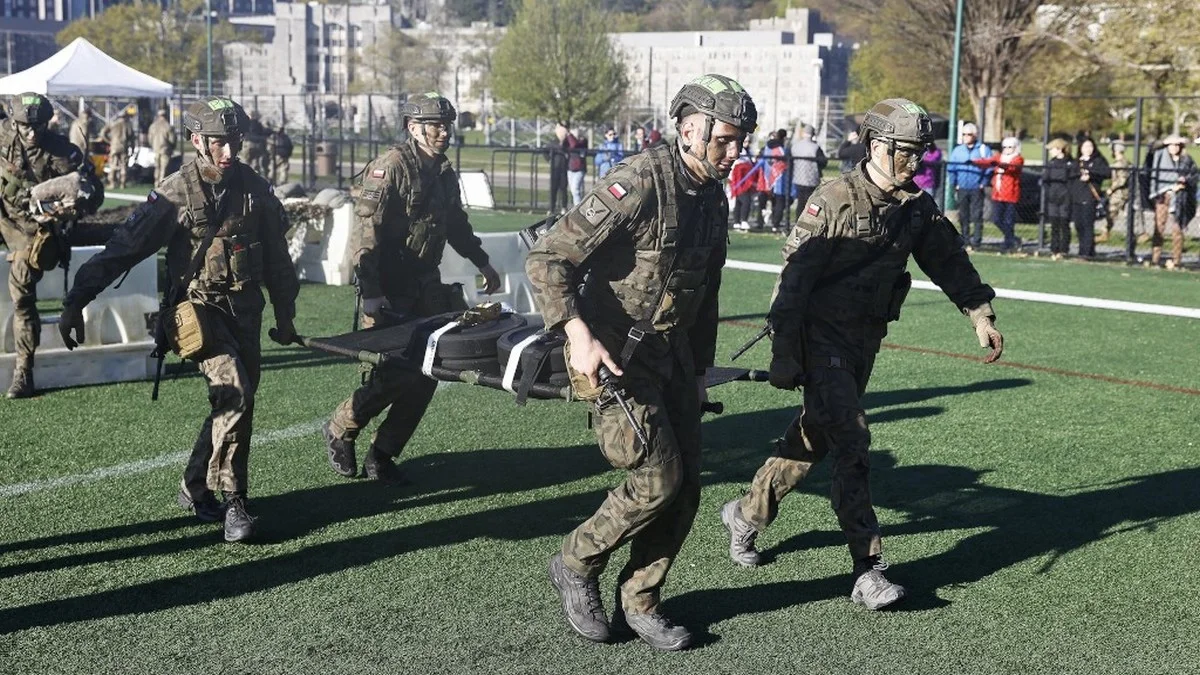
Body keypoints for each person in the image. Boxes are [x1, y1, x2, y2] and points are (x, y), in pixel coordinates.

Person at [718, 98, 1002, 612]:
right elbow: (792, 282)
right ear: (876, 146)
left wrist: (980, 314)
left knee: (813, 438)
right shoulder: (834, 200)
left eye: (919, 154)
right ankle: (868, 571)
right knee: (852, 441)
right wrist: (786, 352)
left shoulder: (916, 207)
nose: (913, 164)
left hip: (862, 343)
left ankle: (746, 514)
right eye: (904, 153)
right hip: (819, 339)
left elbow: (950, 261)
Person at [527, 74, 756, 651]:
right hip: (615, 356)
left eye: (741, 141)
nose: (736, 153)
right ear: (688, 129)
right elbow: (548, 258)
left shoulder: (713, 197)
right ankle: (576, 562)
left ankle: (642, 600)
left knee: (688, 487)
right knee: (657, 477)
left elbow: (706, 291)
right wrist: (576, 334)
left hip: (674, 358)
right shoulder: (640, 180)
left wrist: (701, 372)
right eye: (725, 140)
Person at [58, 96, 300, 543]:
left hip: (245, 312)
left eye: (235, 142)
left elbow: (279, 260)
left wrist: (286, 313)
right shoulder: (175, 192)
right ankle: (234, 502)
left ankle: (194, 487)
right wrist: (76, 300)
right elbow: (123, 248)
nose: (228, 152)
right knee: (236, 393)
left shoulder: (255, 188)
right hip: (198, 313)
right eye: (219, 143)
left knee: (233, 405)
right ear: (196, 141)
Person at [322, 92, 501, 482]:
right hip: (388, 288)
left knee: (428, 373)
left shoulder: (442, 172)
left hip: (425, 287)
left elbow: (455, 224)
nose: (443, 132)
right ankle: (340, 427)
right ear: (413, 128)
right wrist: (371, 292)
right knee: (394, 372)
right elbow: (364, 233)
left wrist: (482, 261)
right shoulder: (391, 166)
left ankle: (383, 454)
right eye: (435, 125)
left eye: (446, 124)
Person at [0, 93, 87, 398]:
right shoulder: (2, 135)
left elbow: (92, 193)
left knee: (22, 290)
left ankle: (24, 371)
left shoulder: (62, 151)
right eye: (25, 125)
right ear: (15, 121)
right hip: (3, 214)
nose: (32, 132)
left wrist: (71, 202)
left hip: (34, 228)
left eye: (38, 126)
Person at [1147, 134, 1196, 269]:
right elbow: (1150, 147)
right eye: (1171, 145)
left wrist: (1184, 182)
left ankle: (1177, 260)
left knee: (1177, 229)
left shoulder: (1186, 160)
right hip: (1163, 196)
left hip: (1179, 198)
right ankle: (1155, 259)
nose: (1174, 147)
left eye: (1177, 145)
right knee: (1159, 227)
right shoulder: (1159, 156)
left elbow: (1194, 176)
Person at [972, 137, 1024, 252]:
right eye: (1005, 147)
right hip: (998, 193)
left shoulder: (1018, 159)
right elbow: (988, 161)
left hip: (1010, 194)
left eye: (1010, 147)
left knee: (1009, 220)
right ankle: (1013, 238)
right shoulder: (999, 157)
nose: (1007, 149)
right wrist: (975, 162)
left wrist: (1000, 165)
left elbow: (1012, 168)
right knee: (996, 219)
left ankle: (1008, 242)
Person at [946, 122, 993, 249]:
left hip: (977, 187)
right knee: (963, 215)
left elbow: (989, 168)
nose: (966, 136)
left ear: (975, 135)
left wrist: (983, 183)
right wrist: (954, 183)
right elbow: (952, 168)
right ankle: (965, 240)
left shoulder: (983, 149)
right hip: (962, 187)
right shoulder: (958, 150)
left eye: (969, 134)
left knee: (977, 215)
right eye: (964, 134)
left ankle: (977, 241)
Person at [1072, 138, 1110, 258]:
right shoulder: (1076, 162)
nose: (1088, 149)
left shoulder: (1098, 161)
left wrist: (1091, 175)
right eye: (1085, 146)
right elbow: (1070, 175)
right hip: (1077, 197)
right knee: (1079, 225)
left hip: (1090, 198)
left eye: (1090, 146)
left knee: (1088, 225)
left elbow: (1107, 173)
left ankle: (1086, 253)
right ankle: (1083, 250)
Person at [1042, 138, 1076, 260]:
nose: (1050, 152)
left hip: (1065, 198)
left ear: (1059, 149)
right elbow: (1045, 180)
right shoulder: (1051, 164)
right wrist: (1049, 193)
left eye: (1052, 149)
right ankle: (1054, 249)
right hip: (1053, 198)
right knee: (1054, 225)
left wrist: (1067, 194)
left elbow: (1072, 181)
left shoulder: (1070, 163)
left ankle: (1064, 249)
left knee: (1064, 224)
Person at [790, 123, 827, 213]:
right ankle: (811, 222)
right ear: (813, 134)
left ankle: (798, 221)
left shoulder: (795, 146)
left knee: (800, 202)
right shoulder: (815, 147)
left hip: (798, 178)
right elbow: (823, 162)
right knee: (813, 203)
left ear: (803, 133)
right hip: (812, 179)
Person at [1100, 142, 1130, 242]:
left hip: (1120, 193)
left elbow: (1122, 180)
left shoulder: (1120, 163)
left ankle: (1105, 232)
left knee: (1111, 211)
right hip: (1121, 192)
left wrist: (1111, 189)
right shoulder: (1123, 162)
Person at [101, 111, 136, 189]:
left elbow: (103, 133)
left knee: (113, 164)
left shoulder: (113, 123)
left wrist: (109, 140)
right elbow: (132, 139)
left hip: (114, 146)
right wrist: (132, 149)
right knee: (123, 165)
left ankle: (112, 183)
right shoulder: (128, 125)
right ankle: (122, 183)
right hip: (124, 146)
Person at [729, 139, 757, 230]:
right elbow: (737, 164)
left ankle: (737, 221)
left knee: (739, 201)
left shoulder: (749, 151)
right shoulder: (738, 150)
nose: (747, 144)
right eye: (745, 142)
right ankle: (743, 220)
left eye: (749, 142)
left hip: (747, 178)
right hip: (738, 179)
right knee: (745, 200)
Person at [546, 122, 570, 214]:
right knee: (553, 189)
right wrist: (549, 160)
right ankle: (551, 208)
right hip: (554, 168)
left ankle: (564, 207)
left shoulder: (567, 143)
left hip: (564, 169)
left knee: (563, 189)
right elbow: (545, 151)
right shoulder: (553, 143)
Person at [147, 109, 175, 185]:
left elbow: (150, 139)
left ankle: (156, 182)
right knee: (164, 168)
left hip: (156, 149)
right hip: (165, 149)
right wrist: (172, 147)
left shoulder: (152, 126)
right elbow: (172, 140)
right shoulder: (168, 126)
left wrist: (153, 145)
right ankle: (161, 184)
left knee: (157, 167)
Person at [239, 110, 268, 177]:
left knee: (246, 161)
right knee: (256, 162)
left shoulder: (246, 123)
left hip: (248, 144)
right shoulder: (259, 124)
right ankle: (255, 176)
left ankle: (245, 176)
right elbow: (263, 133)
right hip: (258, 145)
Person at [566, 126, 588, 206]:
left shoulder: (583, 141)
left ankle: (578, 208)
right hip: (571, 168)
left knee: (576, 190)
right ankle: (576, 205)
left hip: (579, 169)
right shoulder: (569, 140)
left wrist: (569, 135)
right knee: (572, 190)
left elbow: (574, 145)